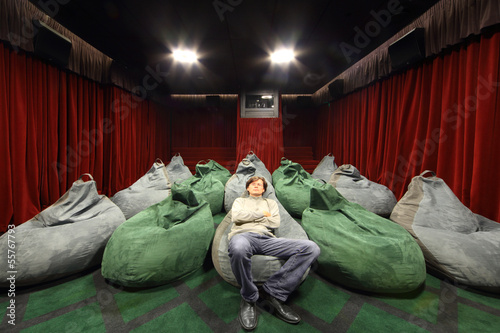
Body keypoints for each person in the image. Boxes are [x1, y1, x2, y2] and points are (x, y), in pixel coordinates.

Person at [228, 176, 320, 330]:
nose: (256, 186)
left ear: (264, 189)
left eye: (259, 184)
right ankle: (249, 297)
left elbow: (275, 222)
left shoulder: (270, 203)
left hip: (267, 239)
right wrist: (262, 215)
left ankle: (273, 292)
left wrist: (250, 216)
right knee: (238, 248)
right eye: (253, 184)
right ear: (248, 188)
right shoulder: (240, 201)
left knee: (311, 248)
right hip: (243, 236)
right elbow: (237, 217)